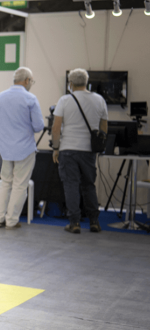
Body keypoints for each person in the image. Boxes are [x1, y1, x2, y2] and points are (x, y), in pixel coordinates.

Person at [51, 68, 108, 233]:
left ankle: (74, 223)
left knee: (71, 185)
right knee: (89, 185)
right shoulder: (99, 100)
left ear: (70, 83)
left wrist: (56, 148)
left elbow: (56, 128)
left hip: (68, 149)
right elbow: (104, 127)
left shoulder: (64, 100)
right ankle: (94, 222)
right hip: (89, 150)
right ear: (87, 82)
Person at [0, 67, 43, 229]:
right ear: (26, 81)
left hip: (3, 149)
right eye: (31, 81)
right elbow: (39, 126)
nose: (31, 84)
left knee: (5, 182)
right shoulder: (31, 99)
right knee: (19, 185)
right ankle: (11, 220)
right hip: (25, 149)